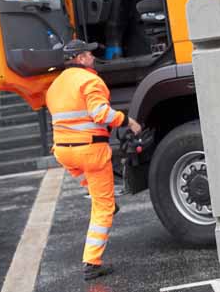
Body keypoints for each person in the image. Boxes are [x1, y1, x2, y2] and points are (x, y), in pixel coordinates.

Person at [46, 39, 141, 281]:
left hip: (64, 152)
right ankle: (92, 262)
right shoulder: (90, 80)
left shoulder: (55, 85)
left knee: (92, 184)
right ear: (79, 58)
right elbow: (100, 113)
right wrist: (127, 120)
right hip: (89, 151)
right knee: (103, 206)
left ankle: (104, 199)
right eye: (89, 54)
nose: (92, 58)